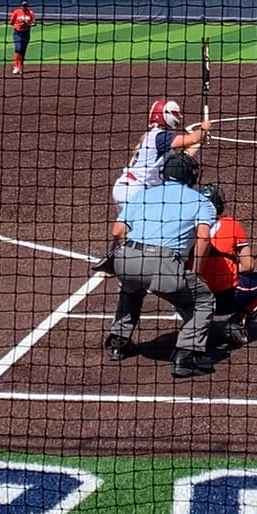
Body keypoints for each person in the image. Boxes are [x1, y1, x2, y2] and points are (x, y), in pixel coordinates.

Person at [101, 153, 219, 378]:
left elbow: (117, 231)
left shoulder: (143, 194)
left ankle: (118, 342)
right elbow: (204, 237)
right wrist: (196, 271)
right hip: (165, 264)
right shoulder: (201, 201)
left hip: (126, 259)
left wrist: (133, 254)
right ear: (191, 176)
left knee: (130, 288)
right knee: (203, 300)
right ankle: (186, 355)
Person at [194, 182, 257, 349]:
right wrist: (228, 268)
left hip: (193, 299)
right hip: (228, 298)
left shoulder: (187, 227)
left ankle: (190, 325)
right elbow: (248, 266)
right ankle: (238, 322)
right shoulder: (230, 225)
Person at [111, 98, 211, 206]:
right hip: (133, 191)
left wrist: (199, 143)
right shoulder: (160, 136)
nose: (178, 117)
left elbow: (184, 156)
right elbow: (192, 138)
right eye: (175, 114)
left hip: (130, 189)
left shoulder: (156, 138)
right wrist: (203, 128)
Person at [8, 0, 37, 75]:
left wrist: (27, 24)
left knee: (23, 50)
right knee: (18, 49)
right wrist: (19, 23)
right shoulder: (16, 12)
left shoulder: (30, 13)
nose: (24, 7)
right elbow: (11, 22)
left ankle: (20, 67)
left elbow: (34, 23)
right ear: (20, 6)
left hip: (26, 33)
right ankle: (16, 66)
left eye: (25, 6)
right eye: (23, 6)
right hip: (17, 33)